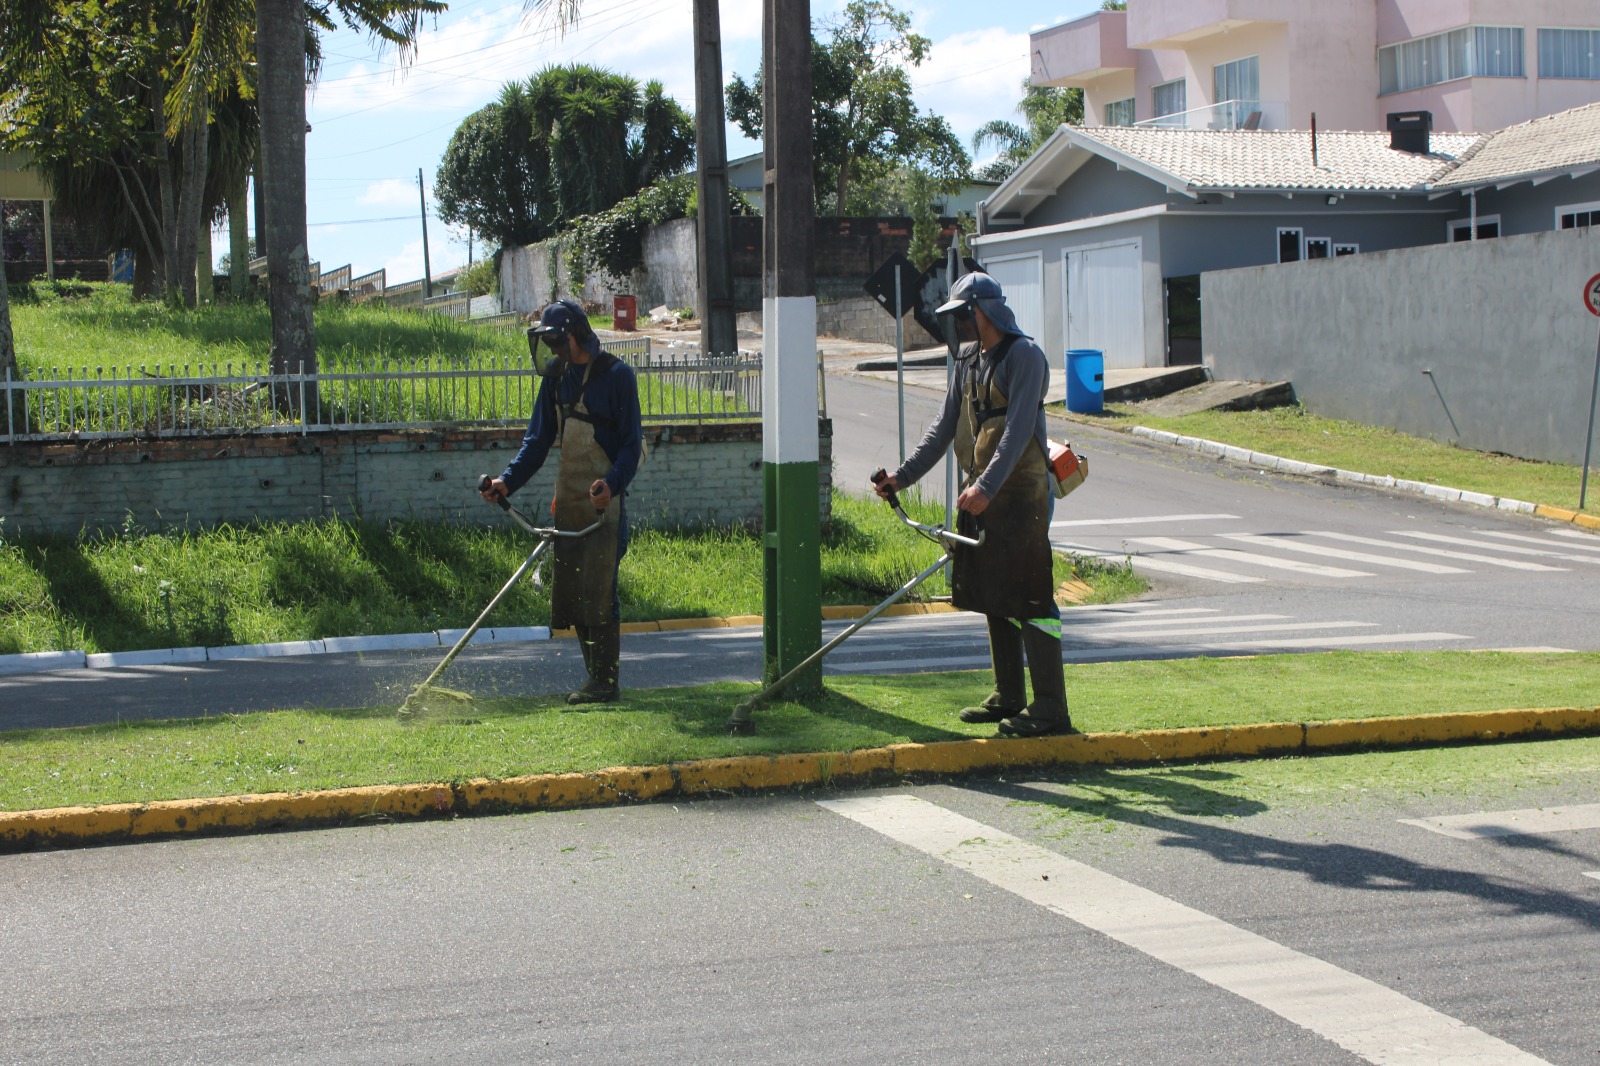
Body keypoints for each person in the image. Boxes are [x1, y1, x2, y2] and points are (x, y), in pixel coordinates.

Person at [873, 272, 1074, 737]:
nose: (957, 326)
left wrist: (985, 487)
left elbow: (1018, 432)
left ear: (981, 311)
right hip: (983, 492)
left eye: (962, 316)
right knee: (993, 594)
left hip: (1022, 493)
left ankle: (1051, 708)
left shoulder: (1025, 357)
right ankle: (1009, 696)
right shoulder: (966, 362)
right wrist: (901, 477)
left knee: (1033, 598)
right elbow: (942, 430)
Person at [481, 299, 643, 704]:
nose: (554, 353)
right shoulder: (556, 380)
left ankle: (606, 680)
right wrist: (507, 482)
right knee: (574, 592)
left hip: (606, 503)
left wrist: (610, 484)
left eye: (558, 343)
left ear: (576, 335)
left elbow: (630, 445)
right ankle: (597, 678)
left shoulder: (618, 377)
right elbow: (536, 442)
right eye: (549, 346)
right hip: (569, 503)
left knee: (601, 590)